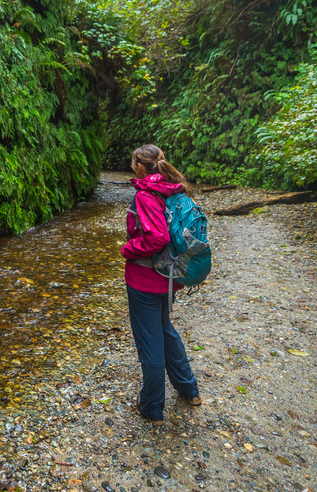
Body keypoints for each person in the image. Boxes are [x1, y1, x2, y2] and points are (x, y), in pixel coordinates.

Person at [120, 144, 201, 425]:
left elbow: (157, 238)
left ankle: (152, 406)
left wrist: (128, 249)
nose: (132, 168)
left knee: (149, 341)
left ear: (140, 166)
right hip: (170, 277)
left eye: (133, 164)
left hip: (145, 280)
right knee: (165, 330)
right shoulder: (173, 187)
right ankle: (189, 389)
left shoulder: (146, 195)